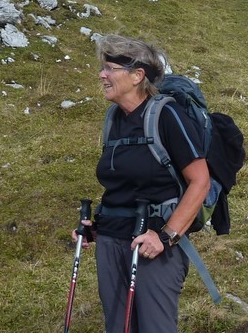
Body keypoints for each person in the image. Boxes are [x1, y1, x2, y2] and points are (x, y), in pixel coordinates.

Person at [73, 35, 211, 333]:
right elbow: (123, 185)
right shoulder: (113, 119)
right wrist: (94, 227)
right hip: (111, 240)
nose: (102, 75)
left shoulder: (166, 114)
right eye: (103, 68)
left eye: (110, 68)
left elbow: (200, 181)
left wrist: (165, 237)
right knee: (118, 327)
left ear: (137, 76)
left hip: (154, 247)